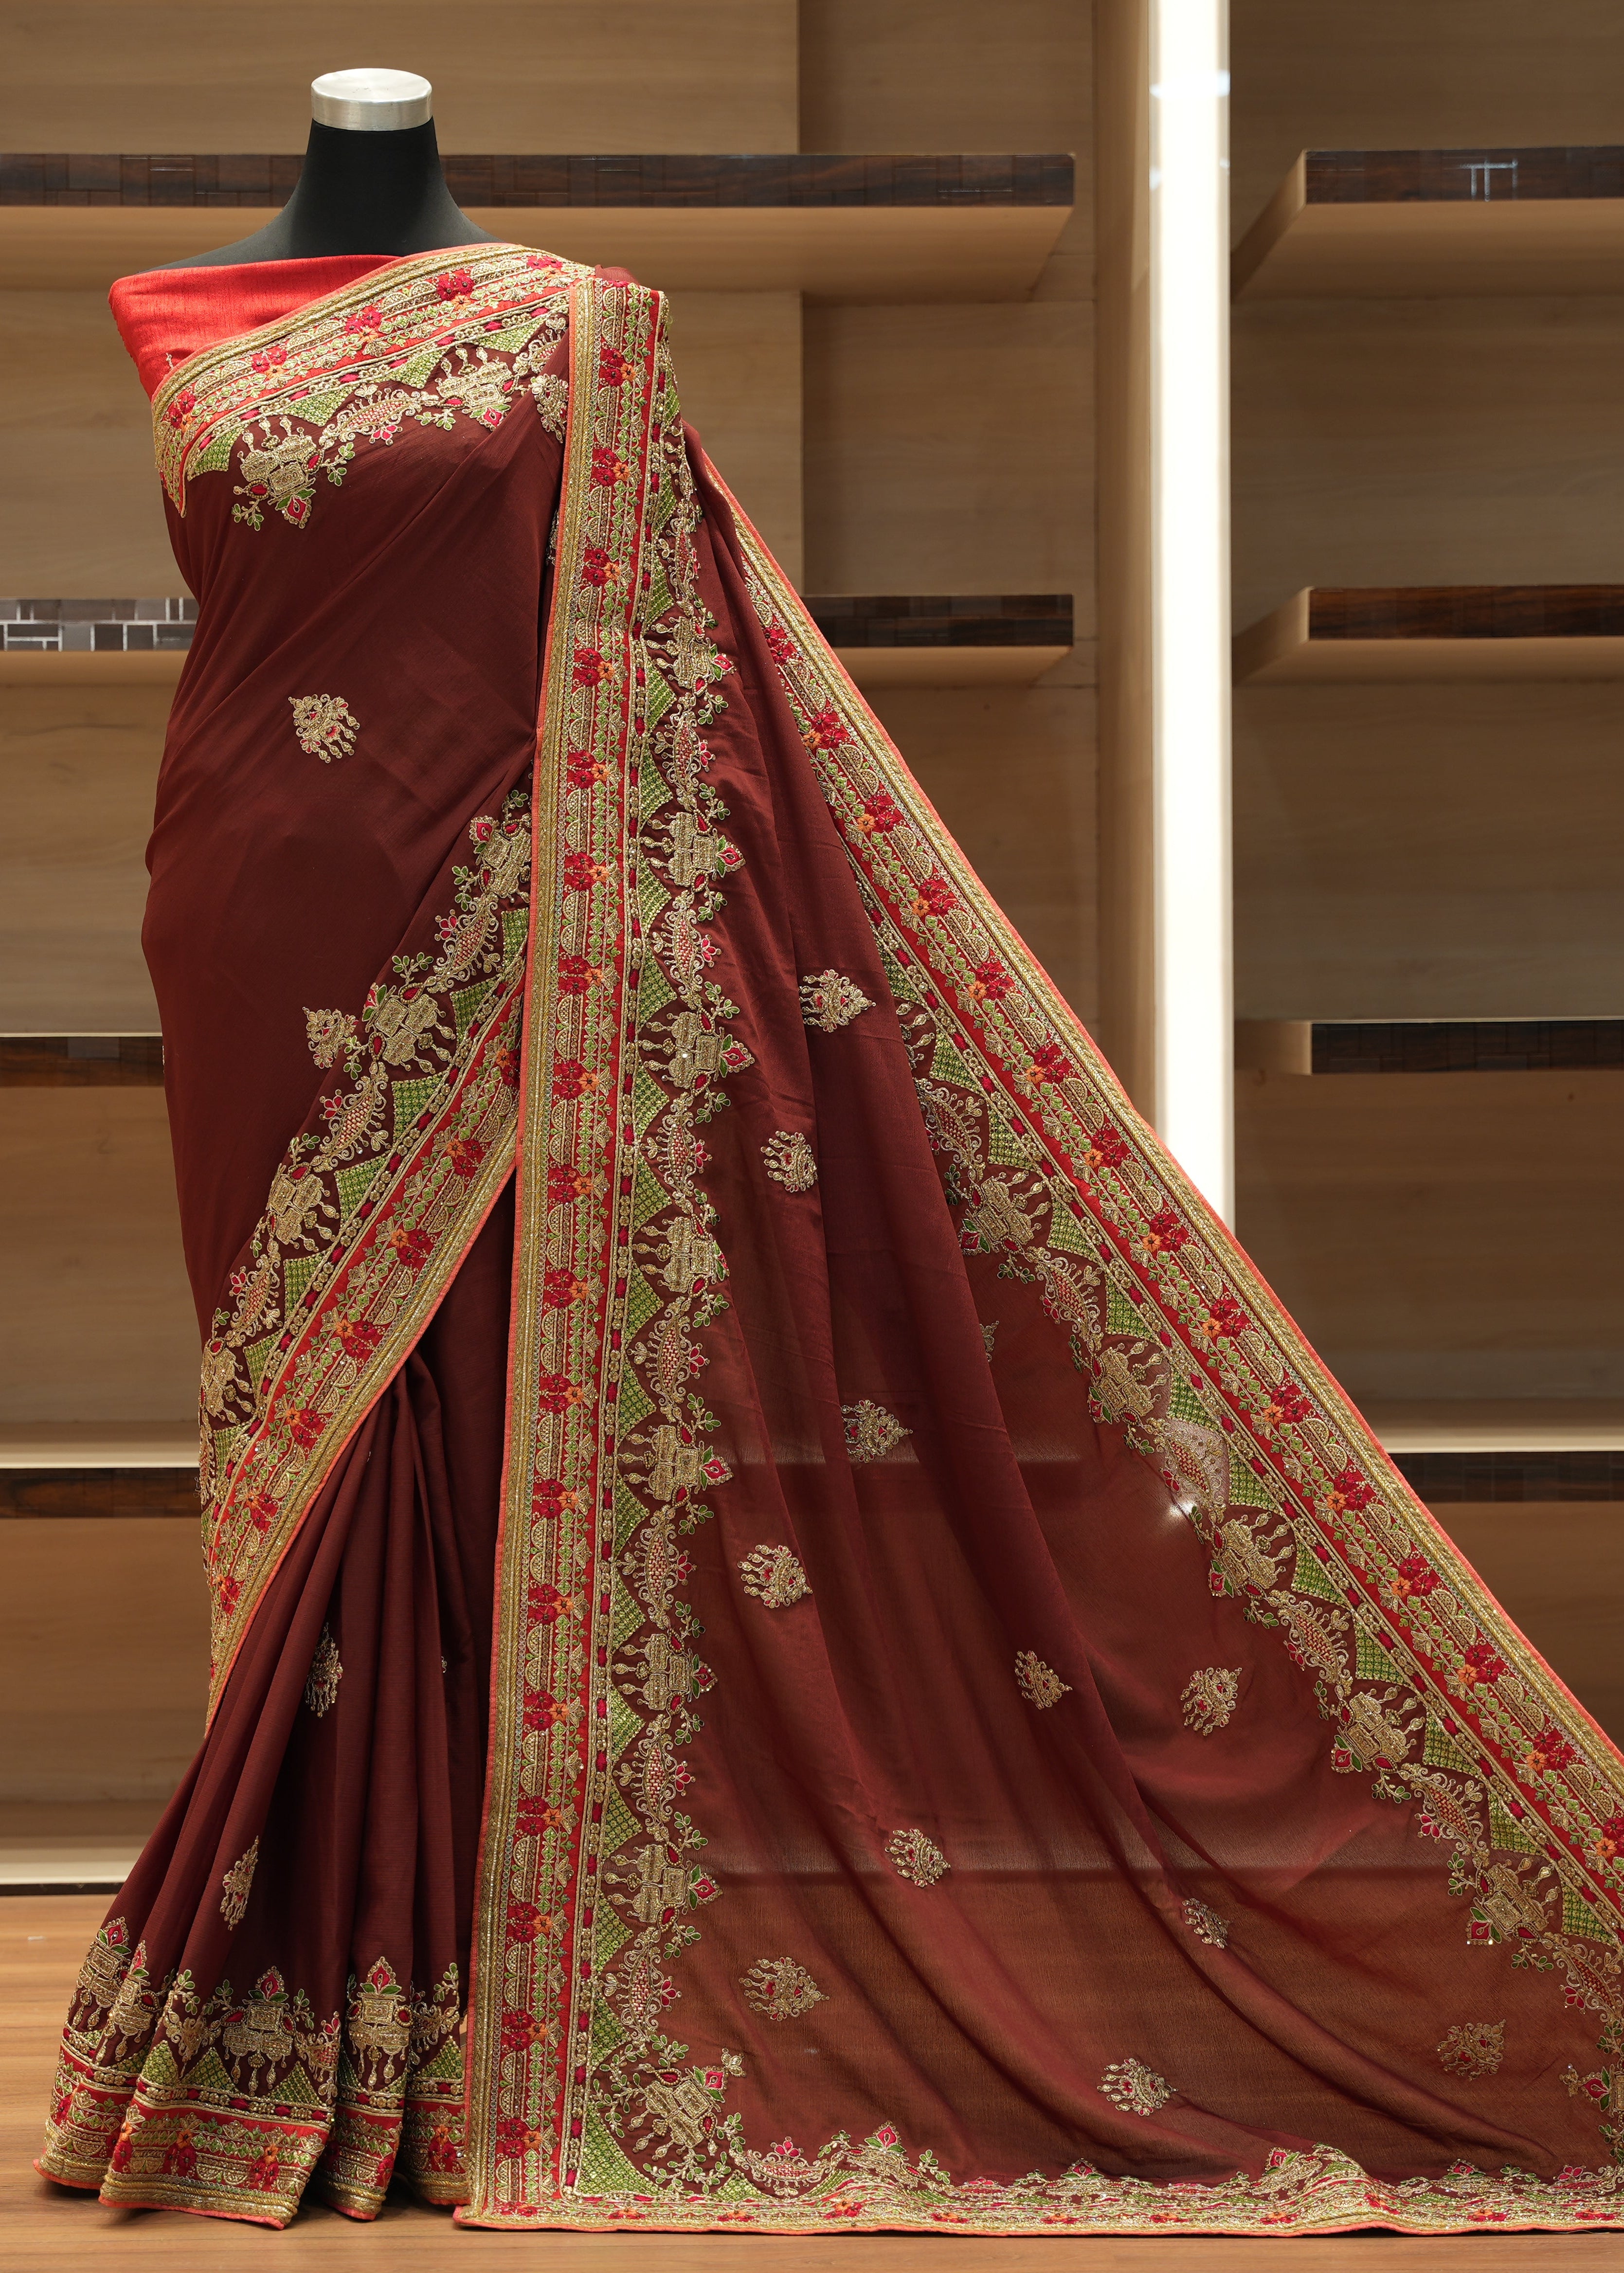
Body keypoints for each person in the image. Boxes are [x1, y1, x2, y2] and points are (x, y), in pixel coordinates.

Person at [36, 69, 1624, 2238]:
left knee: (470, 1431)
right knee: (307, 1440)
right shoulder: (175, 308)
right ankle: (307, 2003)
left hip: (504, 917)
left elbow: (649, 657)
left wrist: (598, 899)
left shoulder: (586, 322)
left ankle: (432, 2015)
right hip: (247, 911)